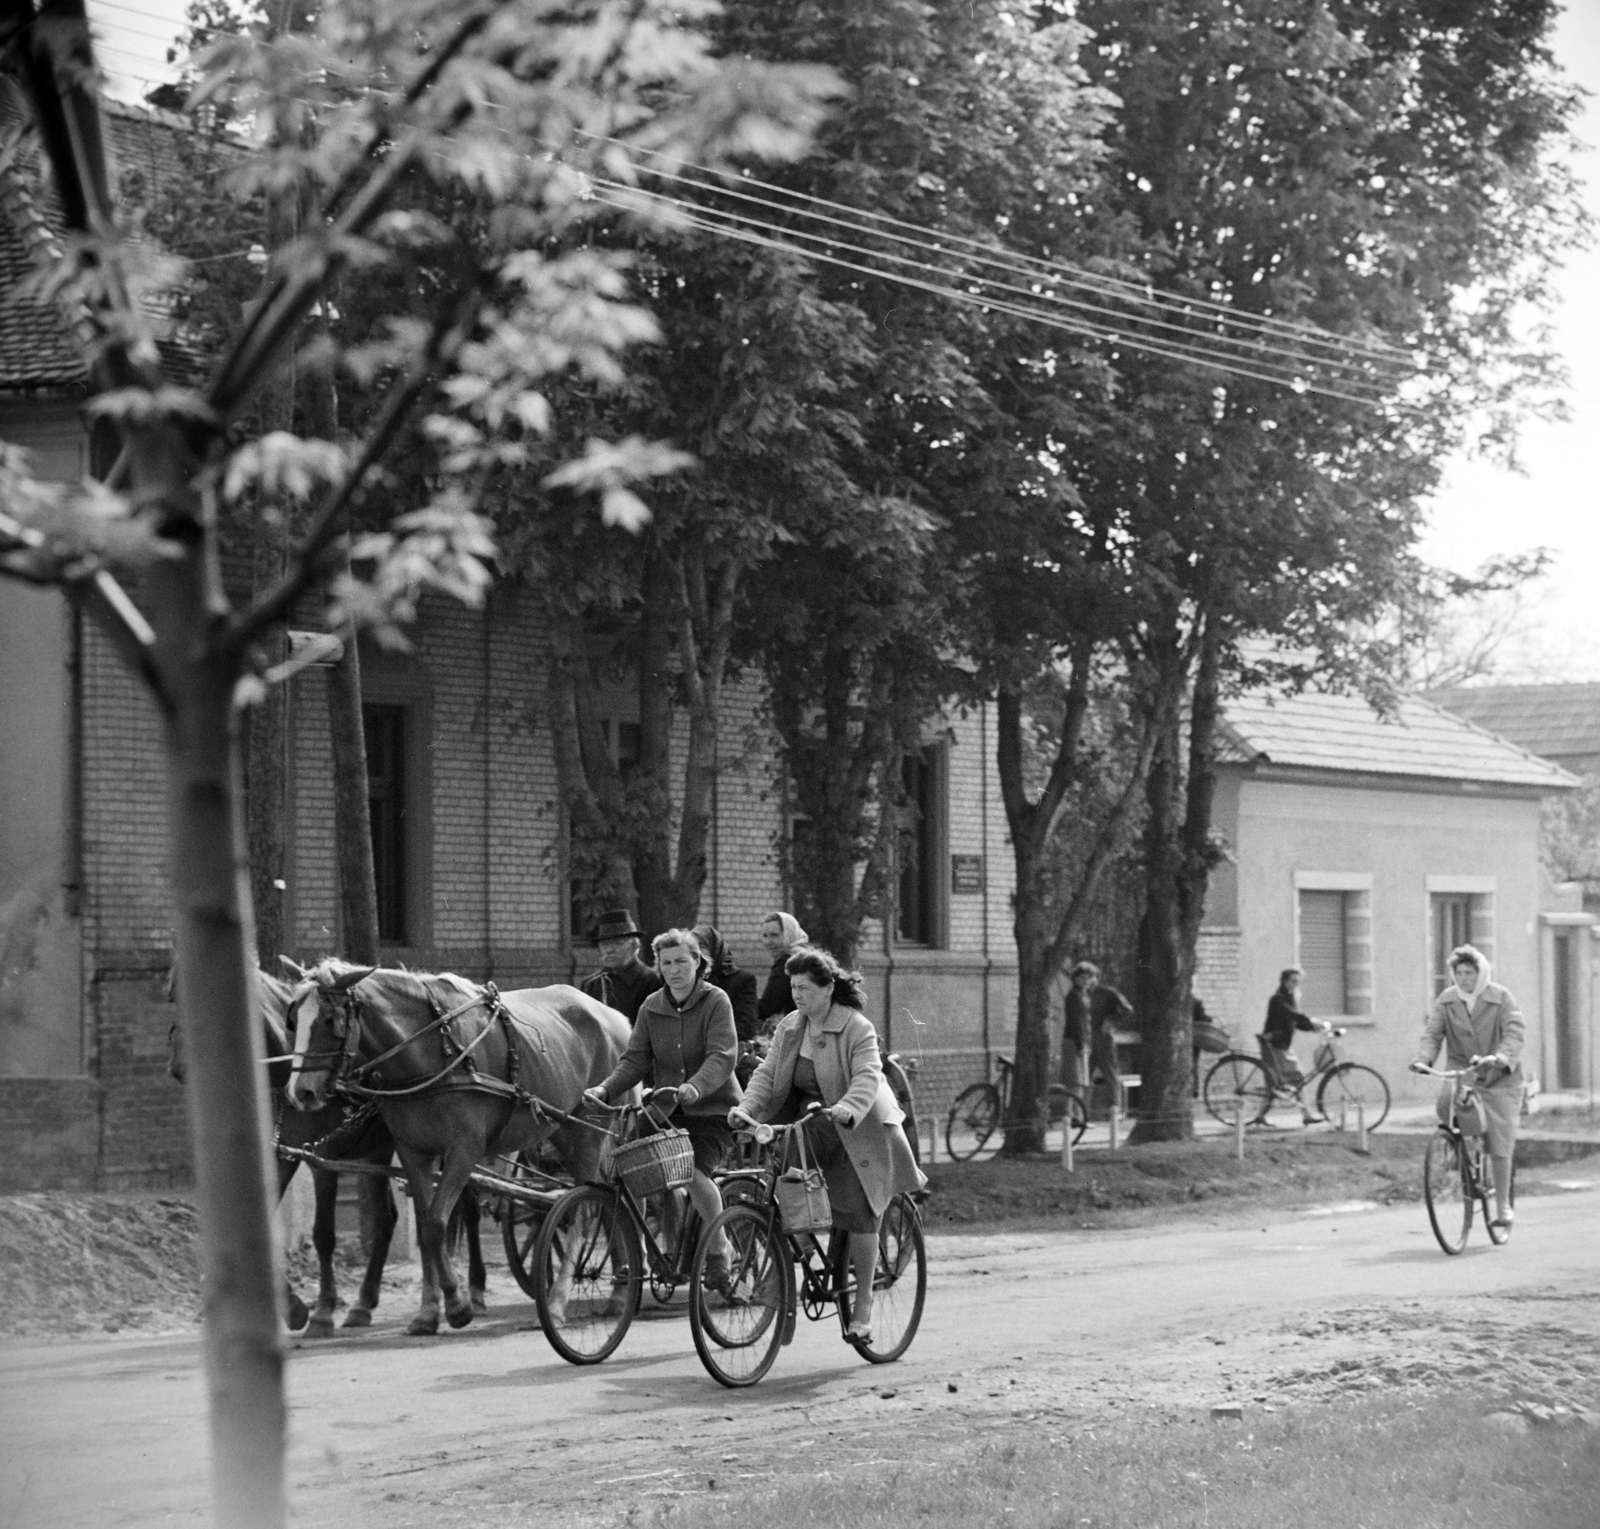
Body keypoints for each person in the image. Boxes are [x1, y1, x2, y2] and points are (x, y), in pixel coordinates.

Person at [733, 946, 926, 1343]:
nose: (797, 994)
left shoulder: (856, 1027)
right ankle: (799, 1246)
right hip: (813, 1119)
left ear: (826, 989)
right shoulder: (791, 1026)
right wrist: (746, 1108)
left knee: (859, 1211)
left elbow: (868, 1076)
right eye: (793, 987)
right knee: (783, 1165)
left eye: (804, 987)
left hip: (860, 1125)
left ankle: (863, 1309)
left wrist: (846, 1108)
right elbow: (767, 1075)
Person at [584, 928, 742, 1281]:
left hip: (713, 1109)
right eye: (666, 963)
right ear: (658, 965)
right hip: (664, 1109)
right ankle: (636, 1253)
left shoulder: (716, 1001)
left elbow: (722, 1055)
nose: (674, 969)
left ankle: (720, 1248)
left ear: (698, 962)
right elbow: (634, 1061)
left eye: (681, 961)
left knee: (694, 1171)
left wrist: (694, 1088)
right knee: (623, 1167)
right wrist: (605, 1090)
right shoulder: (652, 1006)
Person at [1409, 944, 1524, 1232]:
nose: (1463, 979)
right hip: (1464, 1072)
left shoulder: (1501, 997)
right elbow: (1433, 1034)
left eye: (1469, 973)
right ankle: (1459, 1160)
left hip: (1499, 1079)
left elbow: (1514, 1032)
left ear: (1480, 972)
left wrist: (1500, 1056)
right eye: (1458, 973)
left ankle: (1502, 1207)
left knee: (1499, 1140)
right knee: (1446, 1104)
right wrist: (1424, 1060)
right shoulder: (1447, 1000)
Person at [1261, 967, 1331, 1125]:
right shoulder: (1278, 999)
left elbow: (1295, 1021)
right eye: (1293, 981)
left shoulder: (1289, 998)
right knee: (1297, 1077)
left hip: (1282, 1045)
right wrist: (1311, 1022)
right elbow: (1290, 1014)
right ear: (1284, 981)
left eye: (1298, 982)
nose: (1296, 985)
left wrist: (1311, 1027)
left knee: (1274, 1082)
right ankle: (1307, 1114)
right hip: (1275, 1045)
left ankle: (1261, 1115)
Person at [1062, 961, 1133, 1103]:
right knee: (1086, 1077)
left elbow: (1127, 1009)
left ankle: (1115, 1109)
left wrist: (1111, 1021)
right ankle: (1084, 1111)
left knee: (1110, 1073)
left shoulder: (1108, 992)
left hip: (1104, 1038)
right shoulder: (1080, 995)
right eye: (1084, 977)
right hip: (1086, 1039)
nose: (1088, 981)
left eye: (1091, 977)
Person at [580, 908, 662, 1023]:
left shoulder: (652, 982)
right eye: (604, 944)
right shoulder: (591, 984)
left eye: (617, 943)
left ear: (635, 946)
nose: (609, 950)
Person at [693, 925, 759, 1043]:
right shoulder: (685, 981)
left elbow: (745, 1026)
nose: (697, 951)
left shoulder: (741, 979)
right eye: (692, 946)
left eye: (702, 945)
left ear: (715, 948)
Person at [755, 911, 808, 1033]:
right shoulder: (805, 954)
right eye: (765, 936)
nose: (768, 942)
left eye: (774, 935)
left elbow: (767, 1007)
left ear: (789, 934)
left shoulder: (787, 963)